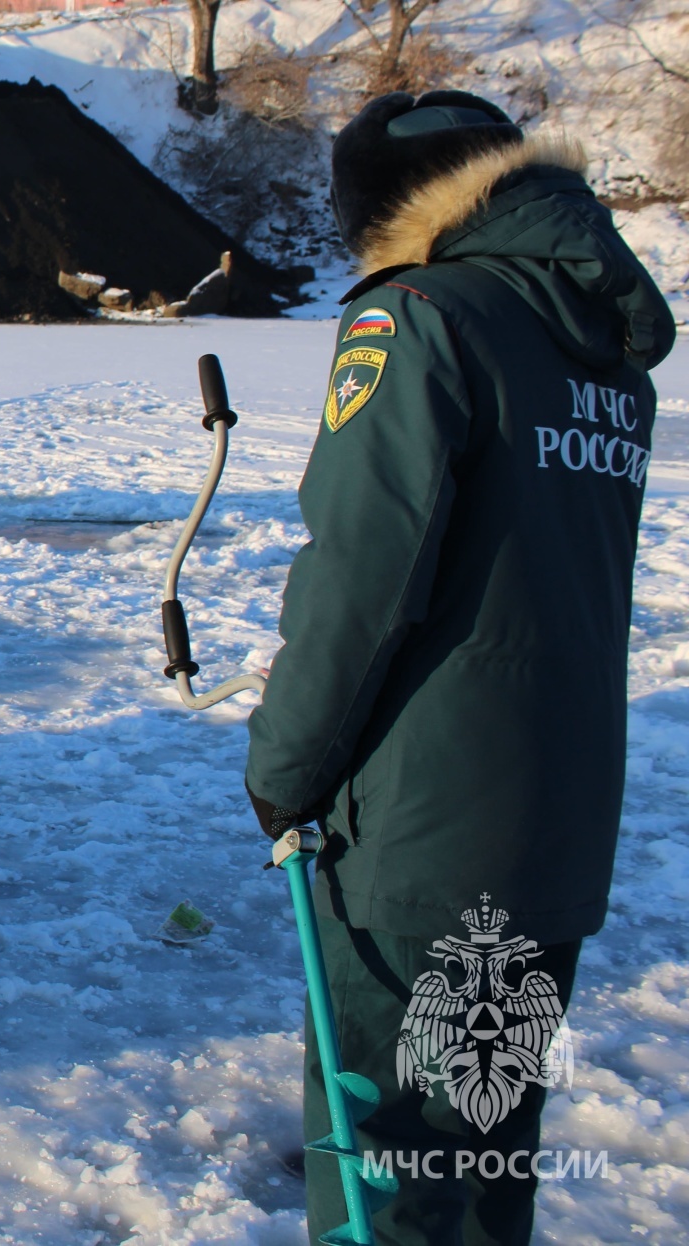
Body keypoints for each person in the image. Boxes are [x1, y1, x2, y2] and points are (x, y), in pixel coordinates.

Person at [244, 91, 675, 1244]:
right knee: (484, 1143)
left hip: (416, 827)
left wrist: (283, 765)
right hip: (551, 815)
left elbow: (360, 575)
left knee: (383, 1147)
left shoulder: (420, 318)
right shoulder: (597, 350)